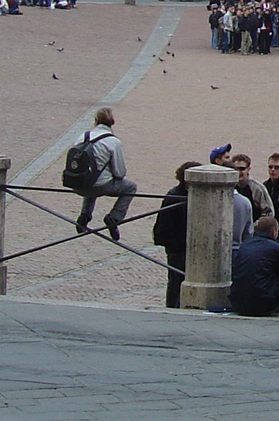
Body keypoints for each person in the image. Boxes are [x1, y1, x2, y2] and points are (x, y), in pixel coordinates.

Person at [72, 108, 137, 241]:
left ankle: (85, 215)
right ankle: (114, 217)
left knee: (90, 178)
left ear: (96, 121)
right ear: (112, 123)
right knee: (131, 187)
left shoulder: (83, 137)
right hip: (100, 186)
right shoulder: (113, 142)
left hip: (77, 184)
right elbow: (120, 173)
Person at [151, 161, 196, 309]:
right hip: (178, 247)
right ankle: (173, 307)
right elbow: (165, 225)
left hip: (187, 246)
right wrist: (175, 246)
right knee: (176, 280)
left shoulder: (193, 193)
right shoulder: (174, 196)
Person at [230, 217, 279, 317]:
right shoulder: (275, 248)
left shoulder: (245, 245)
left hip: (238, 303)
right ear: (274, 232)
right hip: (263, 304)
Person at [227, 154, 274, 221]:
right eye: (236, 169)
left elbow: (269, 212)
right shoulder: (229, 187)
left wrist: (255, 226)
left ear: (248, 169)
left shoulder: (257, 188)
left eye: (242, 169)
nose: (239, 172)